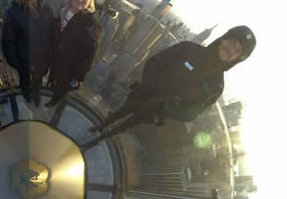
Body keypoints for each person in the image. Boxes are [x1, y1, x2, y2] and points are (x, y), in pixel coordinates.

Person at [90, 25, 256, 140]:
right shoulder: (189, 49)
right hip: (143, 95)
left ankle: (102, 137)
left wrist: (166, 110)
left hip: (155, 112)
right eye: (233, 43)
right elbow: (154, 62)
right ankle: (100, 128)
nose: (231, 51)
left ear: (237, 59)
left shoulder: (217, 86)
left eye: (238, 51)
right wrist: (149, 87)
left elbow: (193, 113)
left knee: (125, 126)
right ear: (224, 39)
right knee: (120, 112)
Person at [1, 0, 54, 106]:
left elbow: (51, 36)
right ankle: (27, 99)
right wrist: (16, 66)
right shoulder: (12, 12)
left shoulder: (47, 8)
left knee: (37, 82)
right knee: (25, 83)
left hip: (41, 61)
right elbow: (8, 43)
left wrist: (49, 58)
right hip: (24, 62)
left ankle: (35, 98)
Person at [46, 0, 101, 107]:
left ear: (90, 1)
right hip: (56, 63)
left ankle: (55, 104)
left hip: (70, 71)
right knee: (53, 82)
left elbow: (90, 56)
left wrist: (79, 78)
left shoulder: (92, 24)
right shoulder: (64, 12)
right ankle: (51, 94)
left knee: (61, 91)